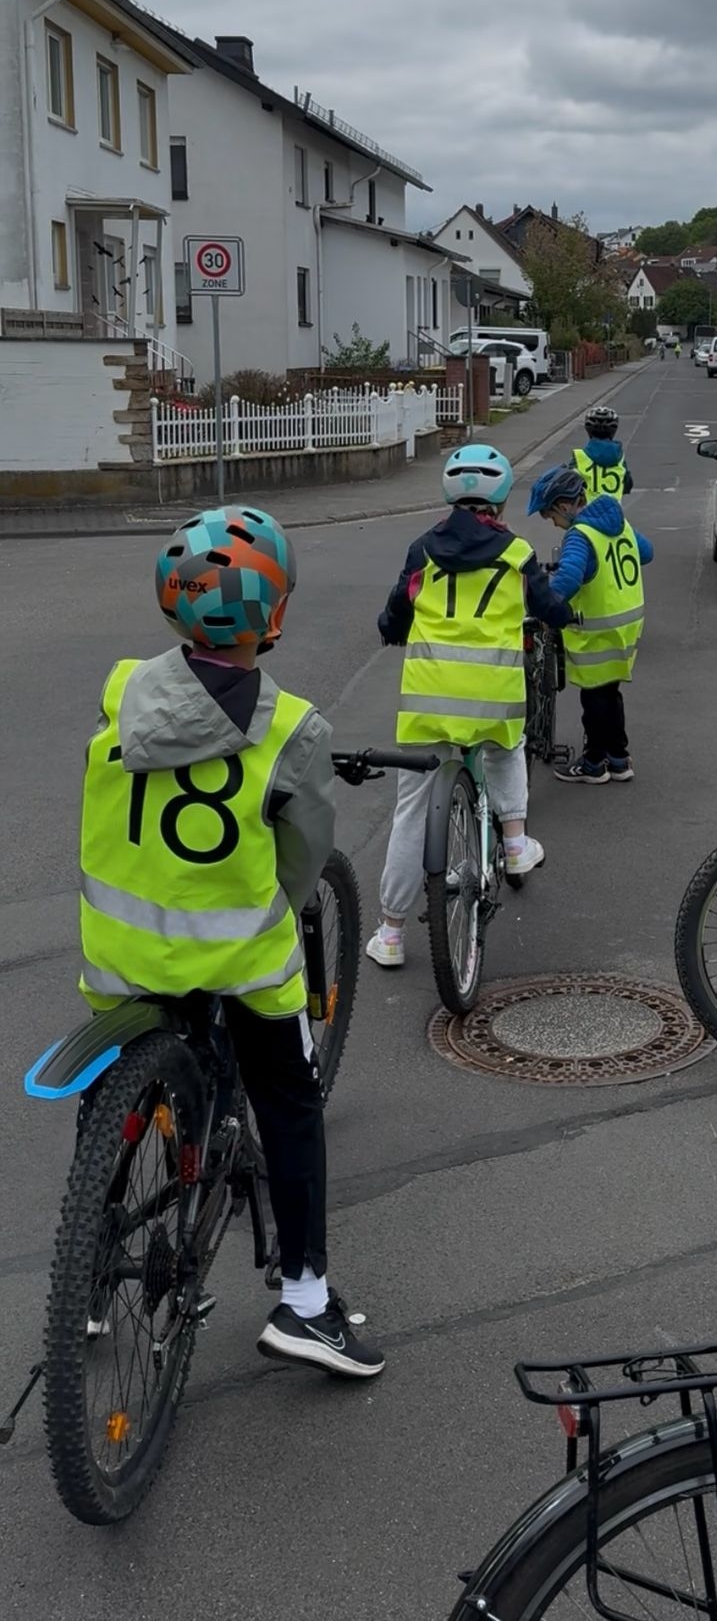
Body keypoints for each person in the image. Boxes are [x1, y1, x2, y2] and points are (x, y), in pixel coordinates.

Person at [79, 505, 383, 1378]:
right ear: (275, 618)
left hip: (121, 958)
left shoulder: (122, 687)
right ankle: (305, 1304)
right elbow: (303, 862)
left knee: (107, 1106)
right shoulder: (291, 729)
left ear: (169, 608)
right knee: (291, 1103)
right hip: (236, 966)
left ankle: (93, 1272)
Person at [370, 444, 574, 966]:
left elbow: (397, 610)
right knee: (508, 748)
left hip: (427, 702)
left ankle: (391, 933)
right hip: (492, 697)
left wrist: (392, 630)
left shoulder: (422, 550)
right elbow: (546, 604)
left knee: (411, 813)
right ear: (502, 502)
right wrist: (565, 614)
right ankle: (514, 843)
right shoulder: (517, 554)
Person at [527, 465, 653, 786]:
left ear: (565, 504)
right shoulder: (616, 523)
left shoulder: (580, 535)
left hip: (598, 626)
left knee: (593, 696)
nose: (552, 522)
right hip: (627, 622)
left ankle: (595, 762)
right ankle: (619, 758)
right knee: (610, 691)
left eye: (550, 514)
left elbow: (568, 578)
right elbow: (646, 552)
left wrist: (545, 606)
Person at [571, 403, 633, 502]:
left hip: (586, 514)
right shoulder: (619, 458)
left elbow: (569, 486)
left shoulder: (579, 457)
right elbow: (627, 485)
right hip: (614, 515)